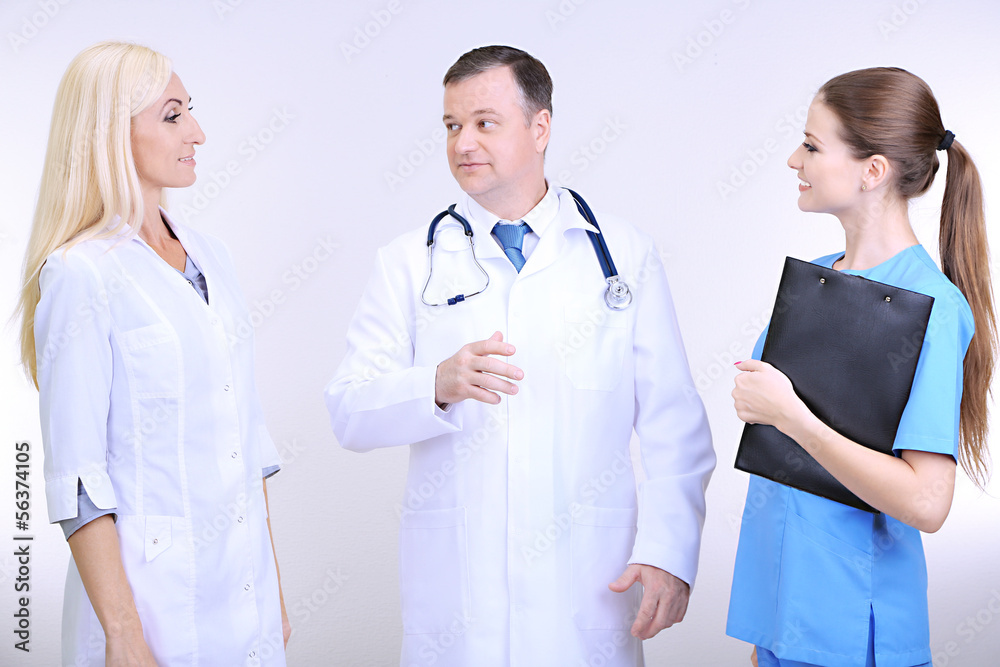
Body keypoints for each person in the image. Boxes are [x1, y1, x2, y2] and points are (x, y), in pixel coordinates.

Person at [325, 45, 715, 666]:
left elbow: (675, 422)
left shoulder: (623, 254)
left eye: (484, 122)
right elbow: (348, 410)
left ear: (540, 128)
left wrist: (669, 551)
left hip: (585, 588)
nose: (462, 144)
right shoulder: (408, 261)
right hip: (460, 601)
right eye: (452, 126)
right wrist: (436, 384)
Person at [16, 41, 290, 665]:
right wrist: (123, 633)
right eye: (173, 115)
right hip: (150, 608)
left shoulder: (212, 256)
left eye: (189, 110)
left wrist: (271, 595)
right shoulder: (81, 274)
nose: (197, 131)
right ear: (110, 134)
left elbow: (247, 445)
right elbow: (78, 480)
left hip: (245, 597)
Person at [727, 67, 995, 667]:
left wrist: (792, 417)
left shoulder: (933, 309)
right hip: (783, 620)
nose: (794, 159)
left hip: (853, 631)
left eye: (813, 146)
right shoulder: (818, 282)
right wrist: (769, 635)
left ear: (872, 171)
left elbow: (927, 503)